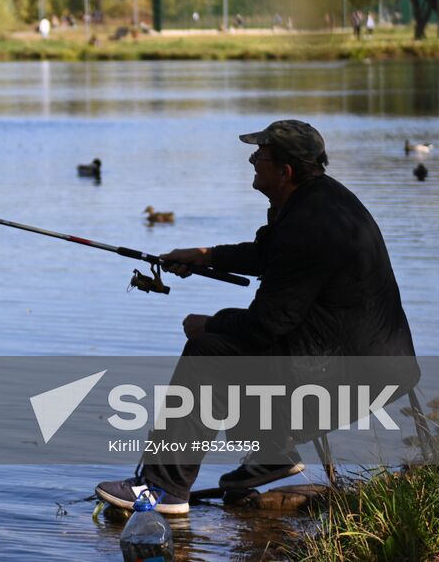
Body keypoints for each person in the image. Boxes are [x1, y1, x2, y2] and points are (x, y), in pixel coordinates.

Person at [94, 120, 416, 515]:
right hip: (371, 361)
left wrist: (206, 326)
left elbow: (268, 324)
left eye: (260, 154)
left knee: (208, 349)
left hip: (353, 375)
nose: (251, 158)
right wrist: (205, 255)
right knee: (230, 326)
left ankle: (162, 489)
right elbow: (270, 255)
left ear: (285, 171)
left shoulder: (308, 224)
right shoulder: (318, 200)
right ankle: (270, 454)